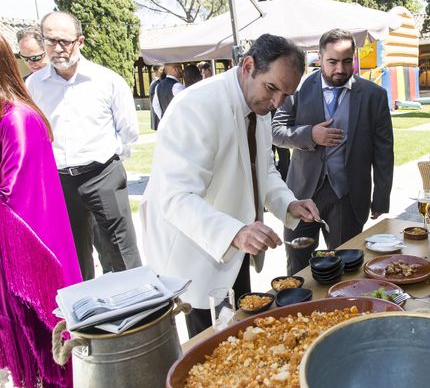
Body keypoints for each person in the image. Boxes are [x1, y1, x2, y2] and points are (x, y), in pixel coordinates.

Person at [140, 34, 320, 338]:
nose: (277, 102)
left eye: (286, 95)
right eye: (273, 88)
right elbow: (176, 197)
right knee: (212, 349)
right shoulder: (195, 107)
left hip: (237, 251)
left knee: (238, 336)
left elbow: (265, 170)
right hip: (196, 256)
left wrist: (287, 203)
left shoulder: (259, 103)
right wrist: (235, 232)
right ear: (248, 66)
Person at [0, 34, 82, 388]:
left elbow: (10, 189)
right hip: (14, 247)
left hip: (32, 248)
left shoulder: (18, 119)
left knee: (42, 328)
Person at [26, 11, 141, 281]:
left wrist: (108, 164)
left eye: (64, 41)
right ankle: (88, 319)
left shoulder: (107, 81)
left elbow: (129, 132)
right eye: (50, 40)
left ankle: (137, 312)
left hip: (103, 175)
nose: (57, 48)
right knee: (73, 258)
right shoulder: (33, 87)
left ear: (80, 41)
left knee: (121, 253)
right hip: (60, 182)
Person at [272, 28, 394, 275]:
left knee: (345, 266)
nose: (340, 69)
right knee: (297, 266)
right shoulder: (298, 88)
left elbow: (384, 151)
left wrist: (381, 196)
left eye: (347, 61)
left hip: (347, 197)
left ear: (354, 58)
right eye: (333, 62)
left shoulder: (374, 96)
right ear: (319, 57)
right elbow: (276, 130)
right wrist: (310, 135)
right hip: (301, 194)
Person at [149, 64, 164, 130]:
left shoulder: (156, 83)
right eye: (161, 70)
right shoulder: (156, 84)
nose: (163, 72)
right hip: (158, 114)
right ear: (156, 71)